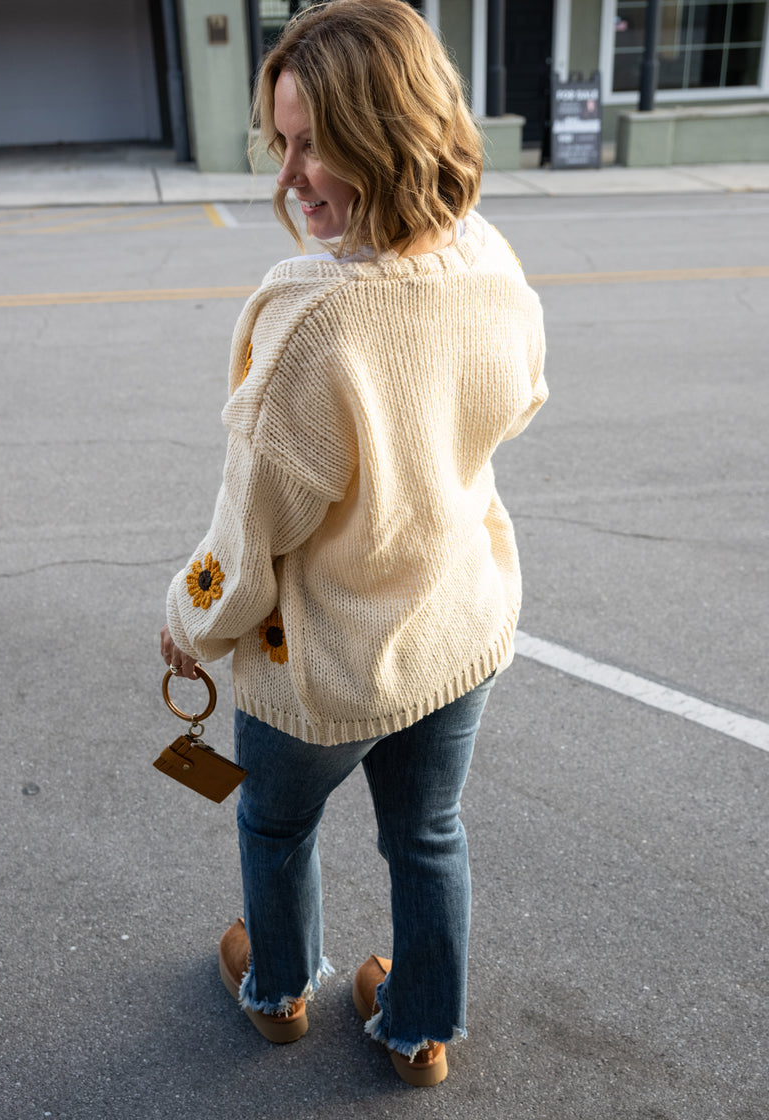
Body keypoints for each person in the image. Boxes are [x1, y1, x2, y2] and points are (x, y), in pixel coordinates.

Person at [160, 0, 547, 1088]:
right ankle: (419, 1026)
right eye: (280, 142)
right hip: (453, 630)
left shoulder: (315, 319)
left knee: (274, 827)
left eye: (313, 140)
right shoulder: (489, 259)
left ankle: (278, 991)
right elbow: (521, 399)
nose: (289, 173)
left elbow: (247, 538)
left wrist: (187, 618)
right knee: (427, 835)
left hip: (321, 667)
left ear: (390, 126)